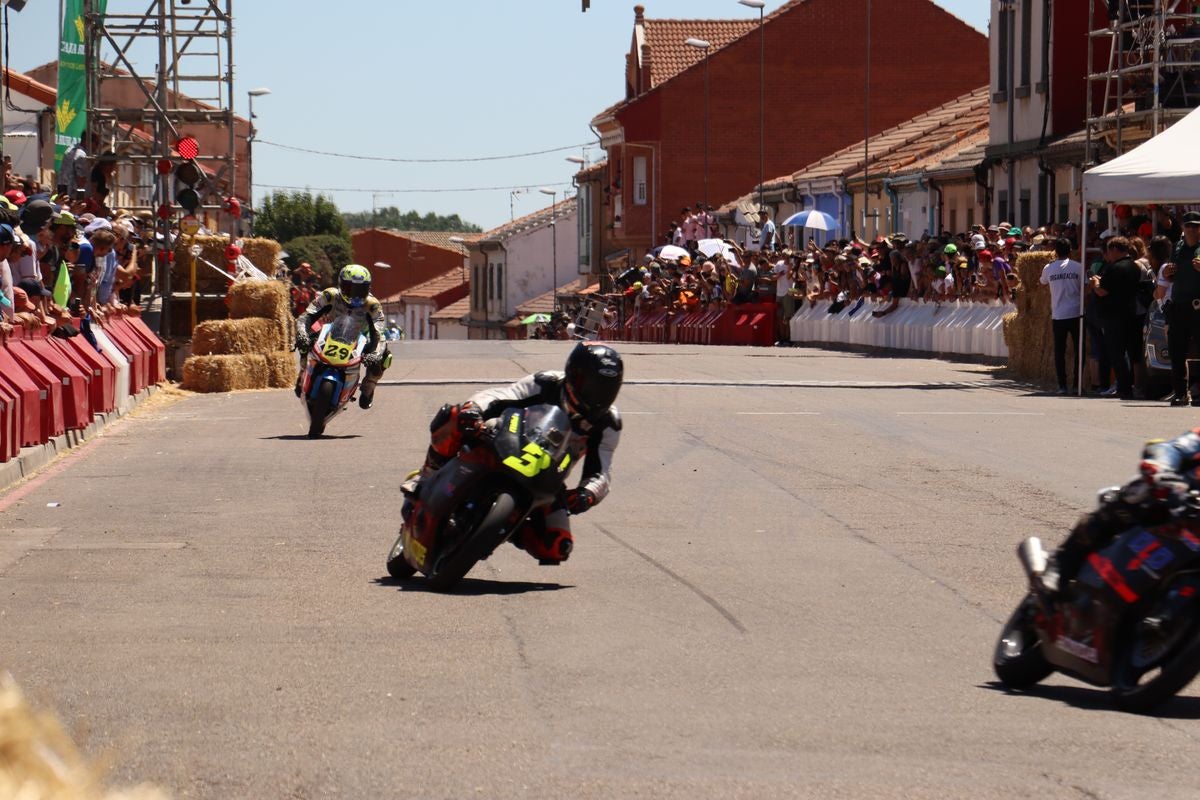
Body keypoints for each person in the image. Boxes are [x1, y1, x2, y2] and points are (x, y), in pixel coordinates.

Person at [403, 342, 623, 565]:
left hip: (547, 476)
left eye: (607, 388)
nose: (597, 395)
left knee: (557, 546)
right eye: (592, 385)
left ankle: (505, 528)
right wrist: (474, 409)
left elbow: (601, 472)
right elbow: (503, 394)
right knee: (455, 415)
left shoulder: (608, 423)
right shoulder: (546, 382)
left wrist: (588, 494)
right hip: (506, 440)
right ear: (572, 374)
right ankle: (427, 474)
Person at [1047, 427, 1200, 597]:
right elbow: (1174, 448)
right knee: (1137, 495)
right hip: (1177, 501)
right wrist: (1161, 468)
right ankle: (1062, 564)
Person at [293, 263, 390, 409]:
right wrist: (302, 333)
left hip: (360, 339)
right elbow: (306, 317)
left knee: (385, 356)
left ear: (368, 289)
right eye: (351, 289)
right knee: (305, 341)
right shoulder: (330, 295)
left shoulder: (373, 305)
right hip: (329, 333)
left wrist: (375, 354)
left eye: (360, 290)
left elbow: (379, 332)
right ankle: (303, 373)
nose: (355, 295)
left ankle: (369, 387)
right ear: (341, 284)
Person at [1090, 236, 1142, 400]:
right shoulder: (1134, 266)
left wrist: (1095, 283)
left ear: (1114, 250)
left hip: (1113, 316)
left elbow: (1102, 291)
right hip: (1130, 313)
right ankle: (1131, 385)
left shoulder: (1115, 268)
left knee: (1116, 353)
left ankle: (1124, 387)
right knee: (1130, 352)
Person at [1039, 238, 1085, 394]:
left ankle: (1062, 385)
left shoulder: (1049, 268)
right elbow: (1085, 287)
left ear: (1055, 252)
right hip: (1077, 313)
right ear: (1070, 251)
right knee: (1080, 350)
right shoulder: (1078, 267)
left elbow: (1042, 282)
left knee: (1059, 351)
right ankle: (1077, 384)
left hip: (1058, 314)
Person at [1164, 211, 1200, 404]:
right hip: (1179, 305)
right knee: (1176, 351)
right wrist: (1169, 272)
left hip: (1198, 305)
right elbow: (1171, 274)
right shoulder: (1177, 247)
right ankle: (1180, 393)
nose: (1193, 229)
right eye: (1189, 226)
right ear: (1183, 228)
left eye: (1196, 226)